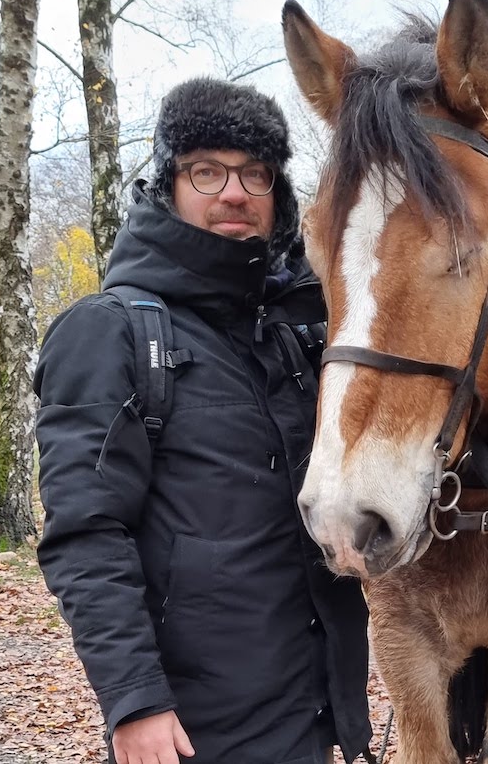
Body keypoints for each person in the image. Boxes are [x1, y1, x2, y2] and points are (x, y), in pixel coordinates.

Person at [33, 77, 371, 764]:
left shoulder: (290, 332)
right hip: (192, 727)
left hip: (309, 708)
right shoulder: (109, 332)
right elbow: (86, 535)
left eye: (256, 173)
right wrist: (135, 700)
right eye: (206, 170)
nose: (235, 191)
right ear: (167, 183)